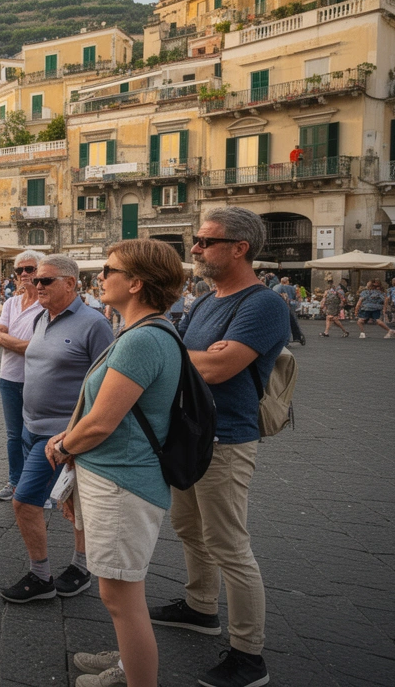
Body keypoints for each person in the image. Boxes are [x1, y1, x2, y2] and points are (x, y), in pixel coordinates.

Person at [151, 207, 289, 687]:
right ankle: (200, 606)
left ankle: (249, 655)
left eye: (205, 241)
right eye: (197, 240)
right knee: (188, 525)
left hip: (227, 438)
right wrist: (188, 355)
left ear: (239, 248)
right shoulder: (208, 300)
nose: (194, 248)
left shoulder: (264, 304)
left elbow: (216, 368)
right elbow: (180, 353)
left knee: (230, 544)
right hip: (190, 433)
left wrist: (187, 356)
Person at [46, 240, 186, 687]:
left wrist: (64, 445)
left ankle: (137, 678)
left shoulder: (142, 339)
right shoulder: (141, 331)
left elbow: (102, 421)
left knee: (121, 597)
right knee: (121, 593)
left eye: (109, 269)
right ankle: (129, 661)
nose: (101, 276)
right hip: (116, 475)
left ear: (137, 282)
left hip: (124, 482)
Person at [2, 254, 113, 604]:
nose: (36, 285)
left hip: (63, 434)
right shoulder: (40, 318)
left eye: (45, 280)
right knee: (73, 502)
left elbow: (106, 385)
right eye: (35, 280)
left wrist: (79, 434)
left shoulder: (94, 324)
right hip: (30, 426)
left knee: (25, 501)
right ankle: (81, 568)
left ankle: (42, 576)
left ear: (70, 283)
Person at [0, 251, 44, 502]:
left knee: (35, 434)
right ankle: (15, 481)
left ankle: (37, 486)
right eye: (19, 270)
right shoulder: (11, 303)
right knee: (14, 434)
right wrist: (19, 343)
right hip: (9, 376)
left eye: (30, 269)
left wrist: (6, 340)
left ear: (40, 270)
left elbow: (34, 348)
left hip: (37, 378)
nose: (24, 274)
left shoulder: (46, 305)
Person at [275, 276, 305, 346]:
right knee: (293, 321)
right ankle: (297, 336)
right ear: (287, 282)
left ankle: (286, 340)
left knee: (284, 323)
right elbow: (295, 297)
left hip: (283, 305)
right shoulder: (292, 288)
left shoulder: (277, 287)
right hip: (291, 305)